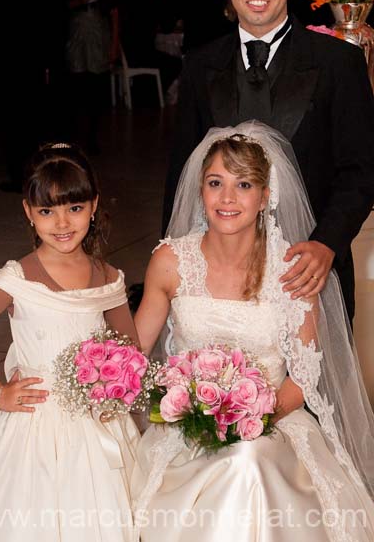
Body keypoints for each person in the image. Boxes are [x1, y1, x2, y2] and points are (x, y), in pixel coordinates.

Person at [132, 122, 374, 541]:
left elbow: (304, 377)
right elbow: (136, 355)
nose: (227, 198)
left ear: (265, 197)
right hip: (190, 427)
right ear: (200, 190)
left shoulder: (292, 268)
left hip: (272, 423)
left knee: (246, 461)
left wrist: (250, 420)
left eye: (243, 184)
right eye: (215, 182)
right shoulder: (171, 260)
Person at [162, 0, 374, 322]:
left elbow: (362, 172)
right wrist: (175, 269)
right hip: (219, 284)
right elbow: (181, 178)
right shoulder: (200, 66)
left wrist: (326, 244)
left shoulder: (339, 64)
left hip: (308, 273)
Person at [0, 143, 139, 541]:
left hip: (96, 420)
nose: (62, 223)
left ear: (94, 205)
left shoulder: (109, 277)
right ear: (28, 212)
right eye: (47, 211)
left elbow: (130, 349)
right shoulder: (17, 279)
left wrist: (113, 380)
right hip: (34, 424)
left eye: (75, 208)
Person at [65, 0, 119, 154]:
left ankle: (93, 137)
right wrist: (80, 0)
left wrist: (115, 43)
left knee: (97, 85)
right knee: (78, 84)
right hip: (77, 29)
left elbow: (115, 10)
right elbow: (61, 4)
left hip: (99, 28)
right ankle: (78, 135)